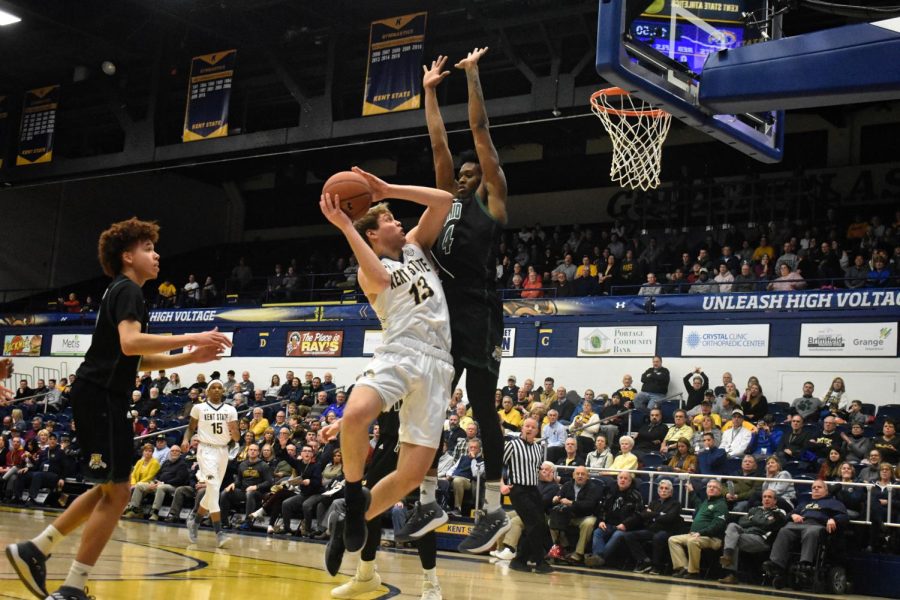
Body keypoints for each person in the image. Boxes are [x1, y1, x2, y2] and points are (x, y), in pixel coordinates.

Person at [5, 218, 231, 600]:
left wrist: (188, 357)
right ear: (128, 256)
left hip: (101, 395)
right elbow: (131, 344)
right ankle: (71, 584)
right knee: (119, 492)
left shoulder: (122, 292)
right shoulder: (128, 290)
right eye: (148, 249)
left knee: (109, 489)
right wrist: (193, 335)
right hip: (101, 397)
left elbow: (136, 361)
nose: (156, 255)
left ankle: (37, 551)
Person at [318, 167, 455, 578]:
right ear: (373, 234)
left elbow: (443, 201)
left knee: (412, 474)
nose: (400, 222)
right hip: (400, 351)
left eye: (398, 218)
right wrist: (345, 224)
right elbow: (378, 277)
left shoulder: (416, 246)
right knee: (356, 414)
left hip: (439, 363)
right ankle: (354, 495)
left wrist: (388, 189)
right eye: (390, 219)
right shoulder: (368, 268)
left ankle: (349, 522)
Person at [420, 48, 511, 556]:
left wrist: (473, 75)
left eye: (473, 174)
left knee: (481, 408)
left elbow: (480, 135)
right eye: (463, 174)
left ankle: (494, 508)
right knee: (432, 408)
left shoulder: (489, 201)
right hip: (444, 317)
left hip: (479, 312)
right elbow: (439, 141)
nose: (465, 177)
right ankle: (428, 498)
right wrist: (430, 90)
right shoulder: (445, 200)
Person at [182, 379, 239, 547]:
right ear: (207, 391)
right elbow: (191, 428)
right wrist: (186, 439)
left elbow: (236, 438)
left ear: (223, 391)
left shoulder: (231, 409)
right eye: (213, 388)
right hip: (206, 450)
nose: (216, 390)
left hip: (223, 451)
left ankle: (195, 519)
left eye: (219, 388)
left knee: (212, 491)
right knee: (213, 488)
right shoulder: (198, 408)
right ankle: (219, 533)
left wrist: (235, 431)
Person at [764, 480, 849, 585]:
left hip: (817, 525)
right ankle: (776, 564)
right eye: (814, 487)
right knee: (784, 530)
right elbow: (789, 515)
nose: (816, 489)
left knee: (811, 531)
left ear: (826, 491)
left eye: (819, 487)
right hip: (799, 524)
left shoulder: (834, 503)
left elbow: (844, 516)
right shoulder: (805, 504)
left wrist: (833, 519)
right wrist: (792, 515)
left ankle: (805, 565)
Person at [501, 417, 554, 573]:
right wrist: (502, 484)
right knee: (534, 523)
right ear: (522, 428)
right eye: (526, 426)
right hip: (518, 489)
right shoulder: (512, 445)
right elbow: (497, 464)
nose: (529, 429)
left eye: (533, 427)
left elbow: (535, 470)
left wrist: (550, 478)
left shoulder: (538, 448)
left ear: (537, 431)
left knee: (539, 524)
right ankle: (540, 562)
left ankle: (520, 560)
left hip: (533, 489)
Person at [718, 489, 788, 584]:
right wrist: (761, 520)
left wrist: (753, 518)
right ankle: (727, 555)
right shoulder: (755, 509)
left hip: (761, 539)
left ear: (775, 501)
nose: (766, 499)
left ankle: (731, 574)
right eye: (764, 497)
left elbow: (768, 525)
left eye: (769, 497)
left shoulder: (779, 512)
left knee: (732, 538)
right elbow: (742, 522)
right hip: (746, 534)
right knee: (732, 526)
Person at [668, 479, 728, 578]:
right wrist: (691, 491)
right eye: (709, 486)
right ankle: (683, 567)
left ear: (720, 491)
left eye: (714, 487)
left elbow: (718, 525)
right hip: (697, 535)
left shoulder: (721, 505)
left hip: (713, 538)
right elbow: (697, 503)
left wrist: (701, 532)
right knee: (673, 540)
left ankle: (693, 572)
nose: (711, 488)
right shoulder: (706, 502)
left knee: (692, 541)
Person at [623, 478, 683, 574]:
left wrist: (653, 515)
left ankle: (657, 566)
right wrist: (660, 514)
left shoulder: (675, 504)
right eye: (661, 488)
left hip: (667, 530)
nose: (663, 490)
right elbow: (644, 515)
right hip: (652, 529)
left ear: (671, 492)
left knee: (658, 537)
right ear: (658, 491)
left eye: (666, 489)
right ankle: (645, 560)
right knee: (629, 535)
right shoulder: (654, 502)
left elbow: (669, 518)